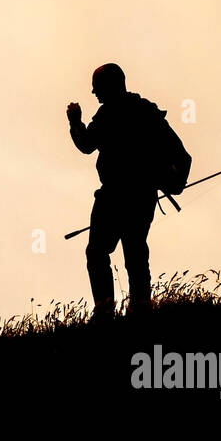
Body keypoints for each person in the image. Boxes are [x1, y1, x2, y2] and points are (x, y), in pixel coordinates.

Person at [67, 63, 165, 320]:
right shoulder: (146, 111)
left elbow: (87, 145)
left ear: (109, 86)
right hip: (143, 195)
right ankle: (140, 308)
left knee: (98, 252)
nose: (94, 93)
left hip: (113, 196)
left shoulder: (108, 115)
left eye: (97, 88)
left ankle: (105, 310)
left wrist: (75, 122)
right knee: (135, 251)